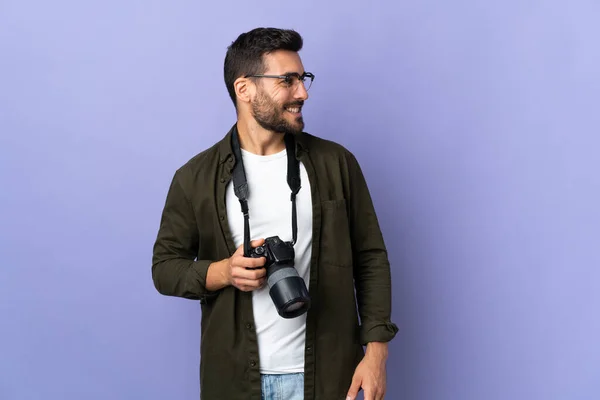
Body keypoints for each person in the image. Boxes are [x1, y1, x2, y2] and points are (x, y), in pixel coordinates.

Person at [151, 27, 398, 400]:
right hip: (235, 381)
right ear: (244, 89)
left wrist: (376, 354)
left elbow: (371, 258)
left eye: (303, 78)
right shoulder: (195, 177)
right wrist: (222, 272)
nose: (303, 92)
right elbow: (164, 268)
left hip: (331, 378)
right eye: (287, 80)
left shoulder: (337, 164)